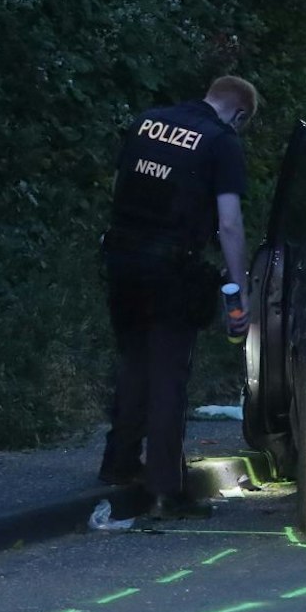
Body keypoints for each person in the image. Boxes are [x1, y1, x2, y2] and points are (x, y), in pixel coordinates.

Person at [99, 76, 257, 520]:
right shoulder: (221, 141)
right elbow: (229, 223)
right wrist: (241, 286)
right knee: (169, 373)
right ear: (239, 114)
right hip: (171, 267)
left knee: (133, 359)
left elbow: (119, 187)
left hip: (122, 257)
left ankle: (119, 463)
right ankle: (165, 489)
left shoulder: (147, 122)